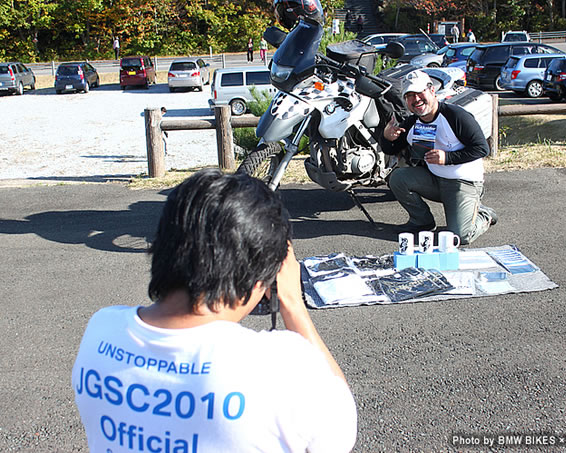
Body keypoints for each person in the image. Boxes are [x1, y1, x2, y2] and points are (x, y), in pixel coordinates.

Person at [72, 170, 357, 453]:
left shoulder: (101, 331)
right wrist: (293, 302)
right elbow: (340, 432)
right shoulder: (278, 364)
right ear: (263, 278)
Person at [380, 70, 497, 244]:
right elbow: (391, 149)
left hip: (463, 183)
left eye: (420, 93)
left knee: (461, 236)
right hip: (435, 180)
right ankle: (422, 222)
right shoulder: (412, 122)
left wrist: (447, 158)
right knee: (398, 177)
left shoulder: (456, 116)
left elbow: (481, 149)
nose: (416, 99)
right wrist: (386, 137)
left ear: (432, 91)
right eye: (410, 96)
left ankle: (484, 214)